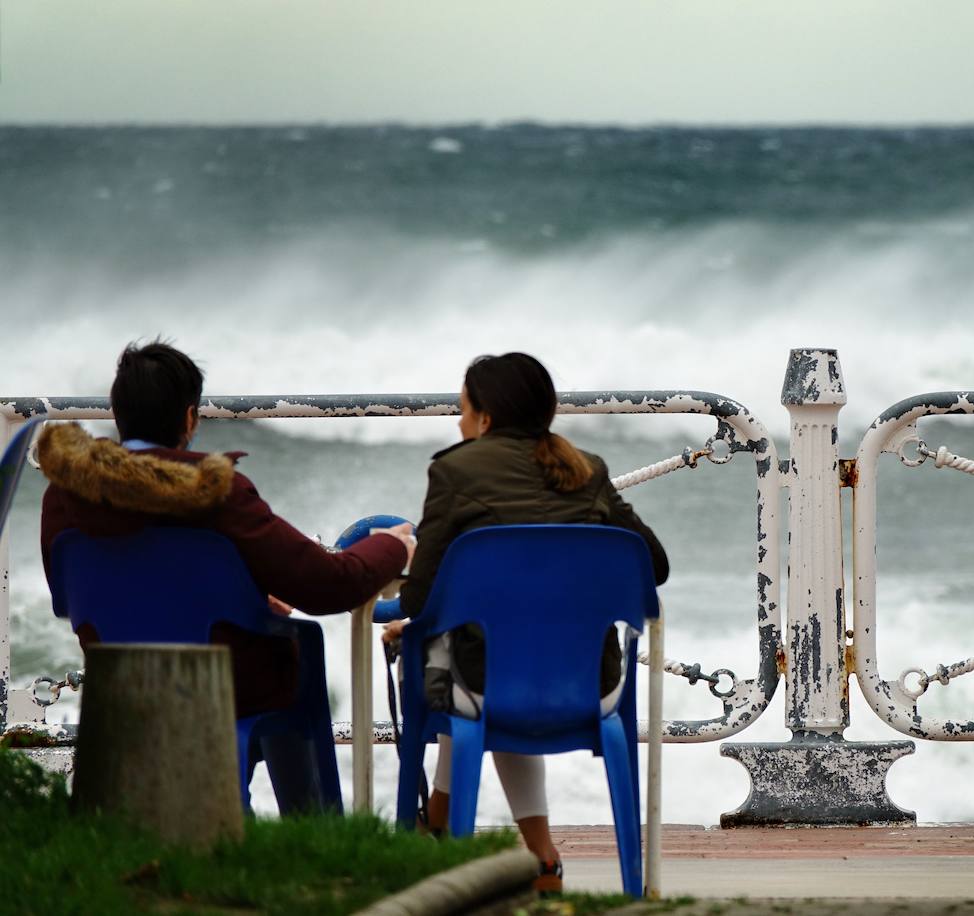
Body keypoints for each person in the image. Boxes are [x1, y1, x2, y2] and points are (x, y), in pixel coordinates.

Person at [38, 340, 415, 812]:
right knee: (293, 647)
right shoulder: (216, 490)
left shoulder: (63, 496)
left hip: (122, 683)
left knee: (264, 635)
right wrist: (392, 545)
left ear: (118, 413)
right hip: (222, 683)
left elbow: (68, 600)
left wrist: (243, 598)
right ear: (190, 418)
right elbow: (329, 588)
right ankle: (312, 827)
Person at [387, 352, 668, 894]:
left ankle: (437, 824)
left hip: (487, 681)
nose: (459, 422)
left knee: (466, 656)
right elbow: (652, 565)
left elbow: (419, 598)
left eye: (463, 410)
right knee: (492, 648)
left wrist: (411, 613)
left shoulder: (454, 470)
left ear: (486, 418)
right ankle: (533, 856)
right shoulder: (588, 469)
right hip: (592, 683)